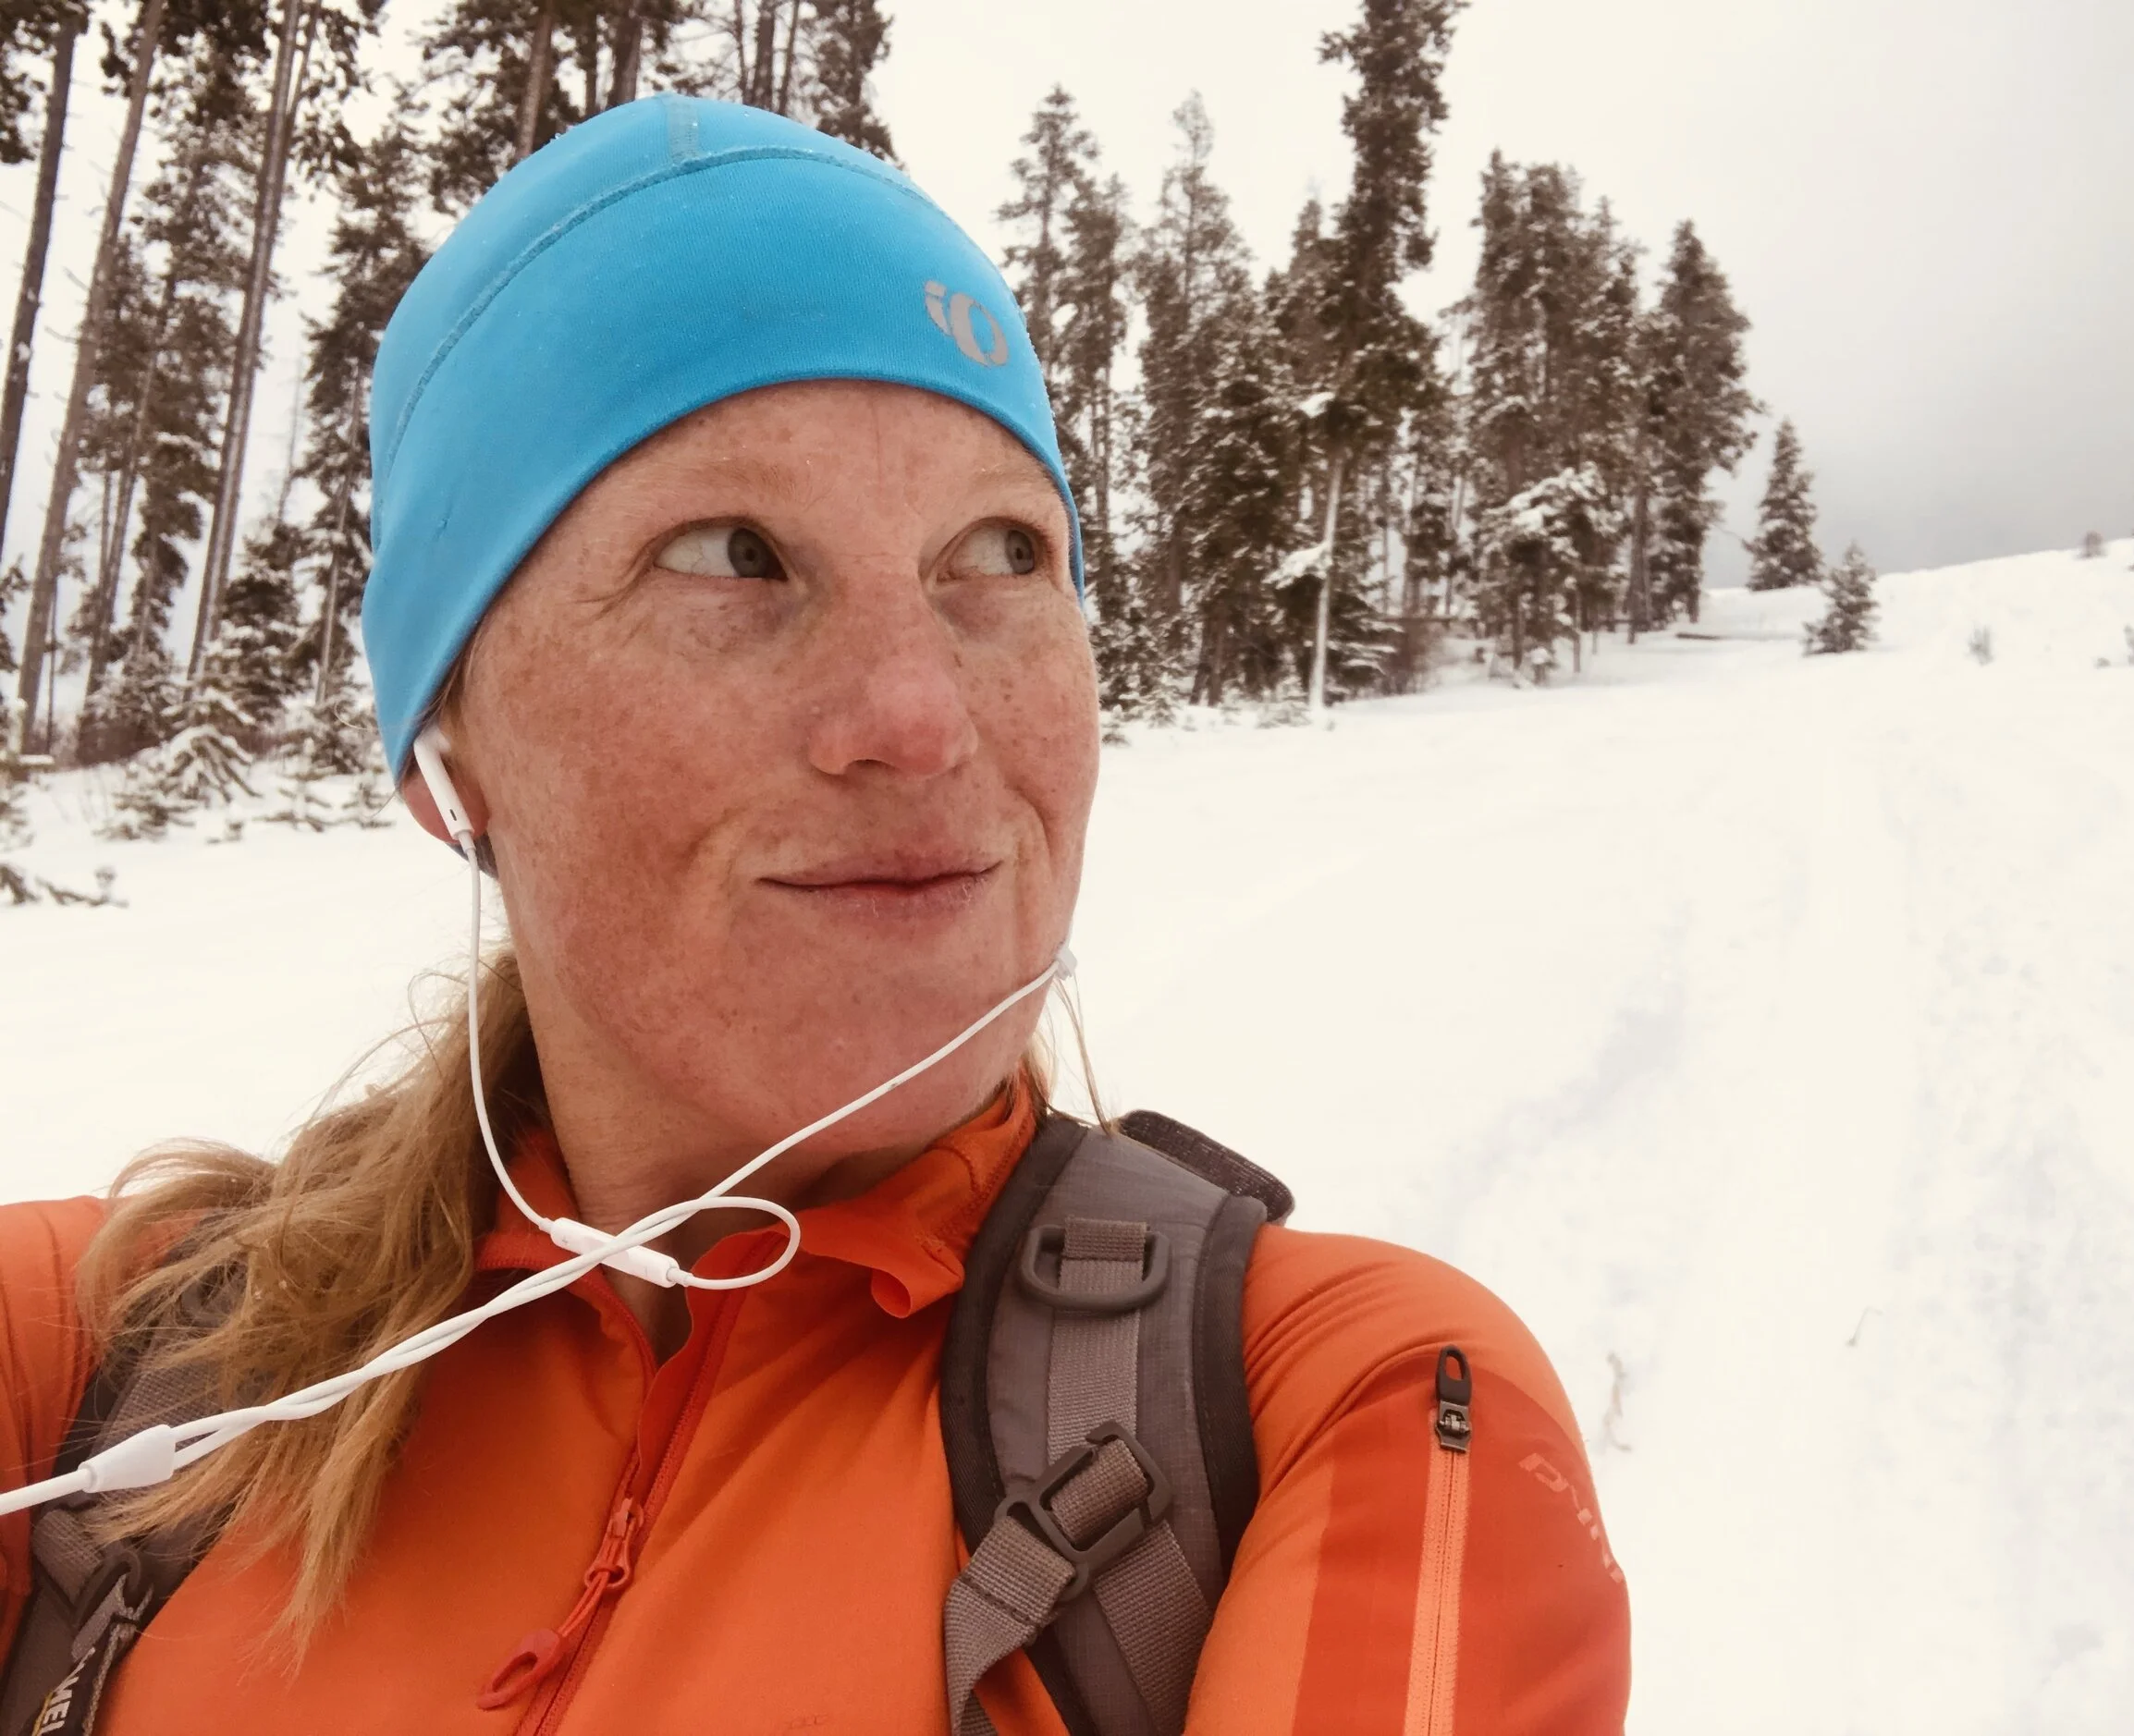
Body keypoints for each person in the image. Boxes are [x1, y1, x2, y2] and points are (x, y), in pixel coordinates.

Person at [0, 98, 1628, 1734]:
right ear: (452, 743)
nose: (920, 718)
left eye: (1000, 550)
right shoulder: (102, 1360)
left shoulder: (1321, 1407)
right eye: (735, 554)